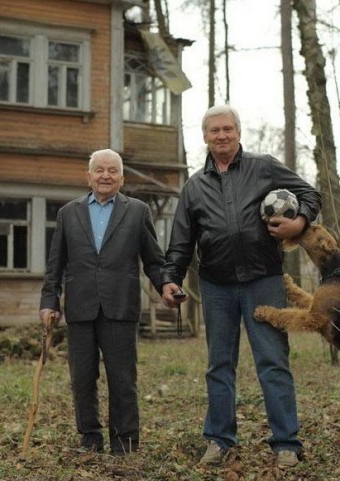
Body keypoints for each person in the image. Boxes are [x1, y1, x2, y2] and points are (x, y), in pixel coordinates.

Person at [160, 105, 321, 468]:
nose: (222, 135)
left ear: (238, 132)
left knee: (273, 362)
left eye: (228, 129)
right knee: (219, 365)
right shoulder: (194, 187)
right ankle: (219, 440)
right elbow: (181, 242)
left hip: (263, 281)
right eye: (214, 130)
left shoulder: (264, 167)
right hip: (216, 287)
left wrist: (299, 223)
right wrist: (170, 278)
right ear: (205, 136)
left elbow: (310, 195)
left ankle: (286, 443)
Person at [39, 149, 165, 455]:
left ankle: (124, 442)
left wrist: (166, 285)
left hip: (120, 306)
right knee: (82, 377)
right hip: (80, 308)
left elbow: (154, 260)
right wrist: (49, 300)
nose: (105, 176)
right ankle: (90, 437)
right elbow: (55, 263)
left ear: (121, 178)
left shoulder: (137, 211)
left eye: (112, 171)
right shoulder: (68, 213)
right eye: (99, 170)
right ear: (89, 176)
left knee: (123, 378)